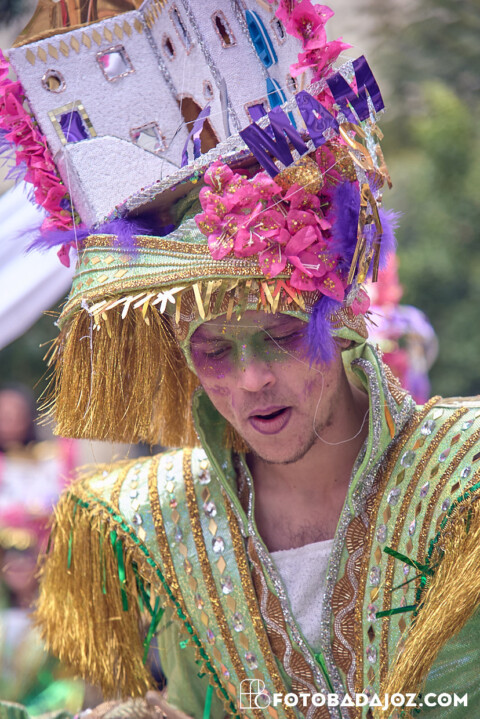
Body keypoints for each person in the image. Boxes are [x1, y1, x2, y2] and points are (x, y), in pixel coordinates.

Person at [1, 2, 479, 718]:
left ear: (340, 318)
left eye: (281, 336)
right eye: (214, 350)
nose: (252, 379)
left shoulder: (466, 478)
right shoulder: (160, 522)